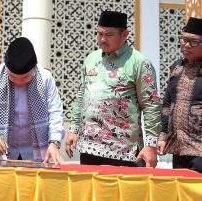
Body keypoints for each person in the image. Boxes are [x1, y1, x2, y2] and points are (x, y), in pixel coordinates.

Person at [65, 10, 162, 167]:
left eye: (109, 35)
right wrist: (73, 129)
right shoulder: (91, 59)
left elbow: (151, 106)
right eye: (99, 34)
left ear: (125, 35)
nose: (102, 39)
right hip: (89, 148)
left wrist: (151, 145)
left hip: (123, 151)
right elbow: (81, 96)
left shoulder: (139, 63)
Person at [0, 37, 65, 164]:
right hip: (1, 152)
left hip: (35, 152)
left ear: (33, 69)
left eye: (25, 77)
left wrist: (54, 142)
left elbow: (55, 113)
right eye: (13, 77)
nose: (19, 81)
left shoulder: (45, 78)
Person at [157, 17, 202, 173]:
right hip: (178, 147)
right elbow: (167, 104)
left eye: (194, 41)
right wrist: (163, 136)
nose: (186, 45)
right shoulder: (177, 67)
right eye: (184, 40)